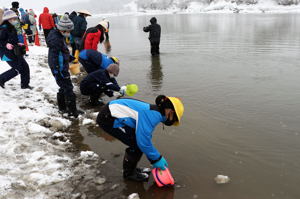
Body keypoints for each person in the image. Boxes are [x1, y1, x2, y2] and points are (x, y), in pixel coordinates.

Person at [96, 95, 184, 182]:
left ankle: (132, 169)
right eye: (174, 119)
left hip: (114, 113)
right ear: (171, 112)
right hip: (108, 118)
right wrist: (157, 158)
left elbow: (145, 136)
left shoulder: (155, 112)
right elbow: (143, 142)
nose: (172, 122)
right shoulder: (152, 115)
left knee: (137, 143)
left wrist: (153, 158)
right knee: (136, 144)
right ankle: (129, 174)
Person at [47, 14, 83, 117]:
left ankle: (62, 107)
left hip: (60, 67)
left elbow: (62, 52)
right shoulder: (56, 40)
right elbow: (55, 57)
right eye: (68, 31)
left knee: (63, 87)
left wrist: (70, 58)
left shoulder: (58, 36)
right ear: (63, 30)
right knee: (68, 88)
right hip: (59, 68)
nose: (69, 33)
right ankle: (72, 112)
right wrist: (58, 70)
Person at [0, 9, 31, 89]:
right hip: (6, 53)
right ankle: (1, 79)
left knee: (25, 67)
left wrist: (18, 43)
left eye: (15, 18)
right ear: (8, 20)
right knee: (18, 68)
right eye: (13, 19)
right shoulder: (3, 29)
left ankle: (25, 85)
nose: (15, 20)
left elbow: (13, 39)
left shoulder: (12, 27)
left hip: (15, 51)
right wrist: (6, 44)